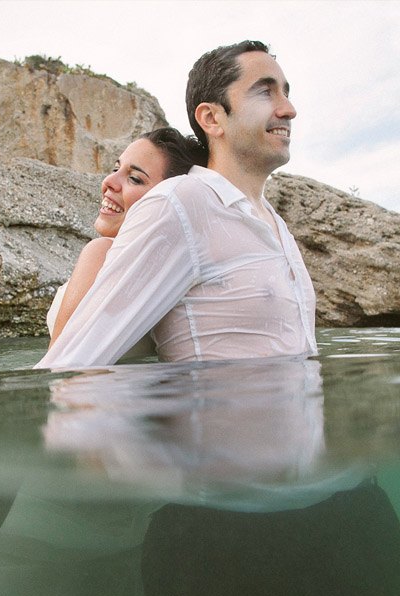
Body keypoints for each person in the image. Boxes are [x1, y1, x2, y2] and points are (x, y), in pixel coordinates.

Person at [35, 40, 316, 370]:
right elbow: (70, 362)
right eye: (264, 92)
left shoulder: (276, 224)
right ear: (211, 118)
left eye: (285, 92)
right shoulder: (179, 203)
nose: (288, 109)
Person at [46, 127, 207, 352]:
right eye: (115, 168)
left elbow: (59, 362)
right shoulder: (186, 274)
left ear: (171, 198)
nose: (109, 181)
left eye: (134, 178)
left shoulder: (101, 253)